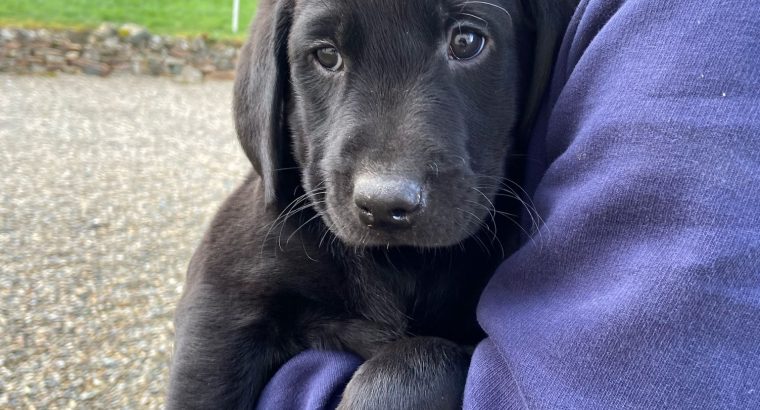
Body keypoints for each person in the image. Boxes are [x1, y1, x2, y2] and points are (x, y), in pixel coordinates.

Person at [256, 0, 760, 407]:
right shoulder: (284, 227)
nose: (388, 179)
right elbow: (221, 331)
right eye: (325, 55)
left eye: (467, 40)